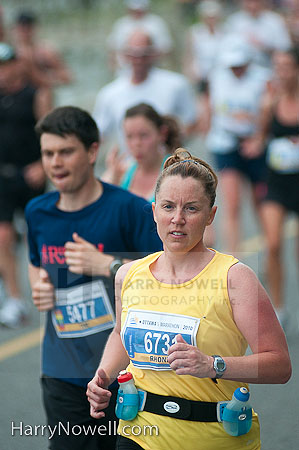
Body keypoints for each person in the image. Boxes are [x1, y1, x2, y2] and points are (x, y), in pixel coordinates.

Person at [86, 148, 291, 450]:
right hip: (138, 434)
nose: (177, 219)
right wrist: (102, 376)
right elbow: (120, 333)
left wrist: (213, 365)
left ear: (211, 215)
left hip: (214, 437)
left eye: (191, 209)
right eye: (168, 207)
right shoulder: (128, 275)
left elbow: (280, 365)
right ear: (154, 210)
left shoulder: (235, 278)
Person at [25, 105, 162, 450]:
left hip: (126, 375)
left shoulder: (130, 210)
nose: (55, 162)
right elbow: (34, 261)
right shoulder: (37, 212)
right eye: (48, 153)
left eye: (66, 151)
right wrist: (37, 283)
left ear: (92, 151)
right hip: (63, 373)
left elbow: (167, 279)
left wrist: (108, 264)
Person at [0, 43, 52, 328]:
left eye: (6, 65)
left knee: (38, 236)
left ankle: (46, 288)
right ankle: (14, 299)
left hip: (30, 175)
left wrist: (43, 165)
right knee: (3, 238)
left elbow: (50, 132)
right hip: (3, 177)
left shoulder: (35, 94)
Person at [205, 37, 270, 252]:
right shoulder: (217, 78)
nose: (236, 69)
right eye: (232, 65)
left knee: (260, 202)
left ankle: (271, 251)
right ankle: (233, 260)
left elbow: (268, 113)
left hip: (255, 145)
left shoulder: (263, 79)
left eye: (240, 65)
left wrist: (258, 137)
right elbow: (214, 111)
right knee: (232, 204)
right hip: (226, 143)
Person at [250, 48, 299, 326]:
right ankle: (279, 307)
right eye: (278, 66)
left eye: (288, 66)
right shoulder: (270, 102)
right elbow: (261, 138)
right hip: (277, 181)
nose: (282, 72)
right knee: (273, 243)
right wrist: (255, 144)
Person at [93, 29, 197, 154]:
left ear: (154, 54)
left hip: (167, 166)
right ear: (125, 55)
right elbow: (98, 134)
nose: (138, 59)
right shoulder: (109, 93)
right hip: (130, 167)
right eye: (133, 54)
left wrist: (173, 146)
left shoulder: (176, 85)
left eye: (144, 54)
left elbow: (193, 121)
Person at [103, 102, 182, 202]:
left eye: (143, 135)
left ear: (162, 134)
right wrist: (111, 183)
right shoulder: (121, 172)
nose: (136, 144)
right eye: (129, 136)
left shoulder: (178, 172)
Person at [106, 0, 173, 73]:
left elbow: (165, 49)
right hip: (124, 71)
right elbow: (113, 50)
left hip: (151, 71)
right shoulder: (121, 24)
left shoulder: (156, 23)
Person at [12, 10, 72, 88]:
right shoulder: (9, 50)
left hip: (40, 88)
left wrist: (46, 76)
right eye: (22, 27)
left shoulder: (46, 51)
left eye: (28, 27)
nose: (25, 31)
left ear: (35, 28)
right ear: (15, 28)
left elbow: (67, 78)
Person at [225, 0, 291, 68]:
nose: (252, 5)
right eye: (248, 2)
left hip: (269, 67)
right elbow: (227, 49)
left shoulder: (274, 21)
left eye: (256, 1)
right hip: (240, 70)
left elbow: (284, 48)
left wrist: (265, 47)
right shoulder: (234, 21)